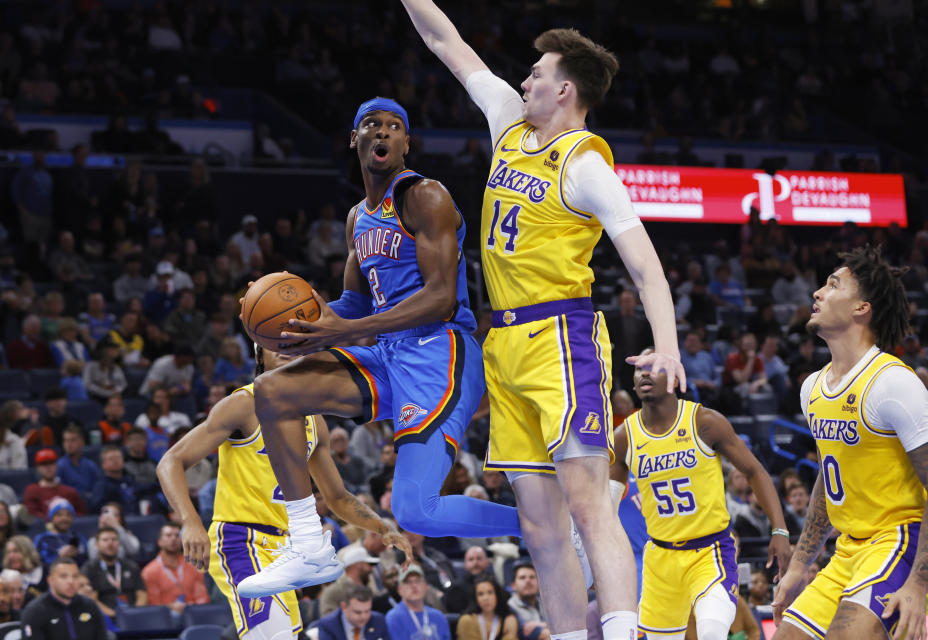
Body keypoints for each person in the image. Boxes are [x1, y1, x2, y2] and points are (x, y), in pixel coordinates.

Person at [397, 7, 687, 639]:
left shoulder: (585, 165)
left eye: (535, 74)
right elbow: (446, 40)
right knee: (538, 526)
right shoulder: (508, 124)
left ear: (565, 89)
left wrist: (667, 346)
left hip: (562, 340)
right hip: (502, 346)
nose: (522, 83)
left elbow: (646, 265)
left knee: (587, 505)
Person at [236, 97, 523, 597]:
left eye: (394, 126)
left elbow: (437, 299)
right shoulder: (357, 219)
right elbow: (352, 301)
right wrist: (308, 327)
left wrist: (341, 332)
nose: (383, 132)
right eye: (372, 125)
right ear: (356, 139)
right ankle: (309, 545)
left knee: (416, 511)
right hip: (390, 353)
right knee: (271, 392)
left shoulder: (424, 197)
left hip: (441, 352)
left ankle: (547, 524)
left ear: (406, 143)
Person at [157, 345, 412, 640]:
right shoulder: (243, 403)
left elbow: (337, 497)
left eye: (291, 342)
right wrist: (190, 521)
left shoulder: (314, 422)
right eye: (272, 340)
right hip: (240, 540)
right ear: (258, 355)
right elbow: (171, 462)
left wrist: (382, 527)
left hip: (287, 551)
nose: (284, 349)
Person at [772, 246, 928, 640]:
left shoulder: (892, 382)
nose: (818, 293)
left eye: (833, 285)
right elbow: (829, 480)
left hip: (902, 539)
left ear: (862, 308)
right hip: (849, 549)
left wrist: (918, 585)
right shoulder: (813, 388)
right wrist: (798, 566)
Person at [611, 351, 790, 640]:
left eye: (653, 368)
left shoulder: (703, 421)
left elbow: (755, 471)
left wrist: (779, 528)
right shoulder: (624, 437)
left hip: (710, 551)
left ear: (674, 376)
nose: (644, 374)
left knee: (712, 631)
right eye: (639, 370)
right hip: (660, 559)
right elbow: (605, 510)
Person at [20, 558, 108, 640]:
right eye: (63, 576)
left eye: (75, 576)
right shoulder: (35, 611)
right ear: (50, 580)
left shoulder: (90, 606)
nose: (71, 581)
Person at [140, 523, 209, 615]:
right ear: (159, 541)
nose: (173, 539)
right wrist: (171, 607)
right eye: (168, 535)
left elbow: (202, 598)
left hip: (194, 615)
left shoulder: (193, 566)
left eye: (177, 536)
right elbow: (153, 604)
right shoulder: (149, 571)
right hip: (164, 618)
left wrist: (191, 607)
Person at [80, 527, 146, 611]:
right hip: (105, 617)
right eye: (105, 540)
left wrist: (135, 613)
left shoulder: (131, 566)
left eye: (114, 539)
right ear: (97, 544)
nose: (110, 543)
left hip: (133, 614)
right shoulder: (89, 569)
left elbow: (142, 594)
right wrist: (114, 615)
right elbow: (91, 599)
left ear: (119, 543)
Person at [385, 564, 450, 640]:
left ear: (426, 587)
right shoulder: (394, 618)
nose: (414, 585)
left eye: (418, 581)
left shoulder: (439, 617)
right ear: (399, 590)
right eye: (408, 582)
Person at [23, 449, 87, 518]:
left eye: (51, 463)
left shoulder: (69, 491)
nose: (48, 467)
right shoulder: (32, 490)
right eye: (44, 464)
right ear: (38, 468)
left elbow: (82, 515)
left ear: (56, 465)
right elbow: (31, 516)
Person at [311, 584, 389, 640]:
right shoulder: (328, 625)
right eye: (358, 612)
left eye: (367, 611)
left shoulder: (378, 620)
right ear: (344, 607)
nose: (364, 616)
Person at [456, 575, 519, 640]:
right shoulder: (466, 621)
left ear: (497, 595)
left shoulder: (509, 620)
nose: (485, 598)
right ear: (475, 598)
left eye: (490, 592)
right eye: (480, 594)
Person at [33, 500, 88, 568]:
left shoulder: (79, 538)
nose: (64, 518)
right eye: (59, 515)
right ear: (51, 518)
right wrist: (59, 556)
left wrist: (77, 555)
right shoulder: (42, 539)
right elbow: (37, 565)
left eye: (68, 515)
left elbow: (87, 563)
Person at [57, 425, 101, 499]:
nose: (69, 444)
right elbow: (61, 492)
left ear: (82, 442)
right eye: (66, 440)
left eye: (73, 440)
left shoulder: (91, 466)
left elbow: (97, 490)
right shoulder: (59, 466)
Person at [507, 563, 549, 640]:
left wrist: (539, 625)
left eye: (532, 577)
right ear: (513, 586)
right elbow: (528, 633)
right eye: (522, 578)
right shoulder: (509, 607)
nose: (528, 581)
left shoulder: (546, 603)